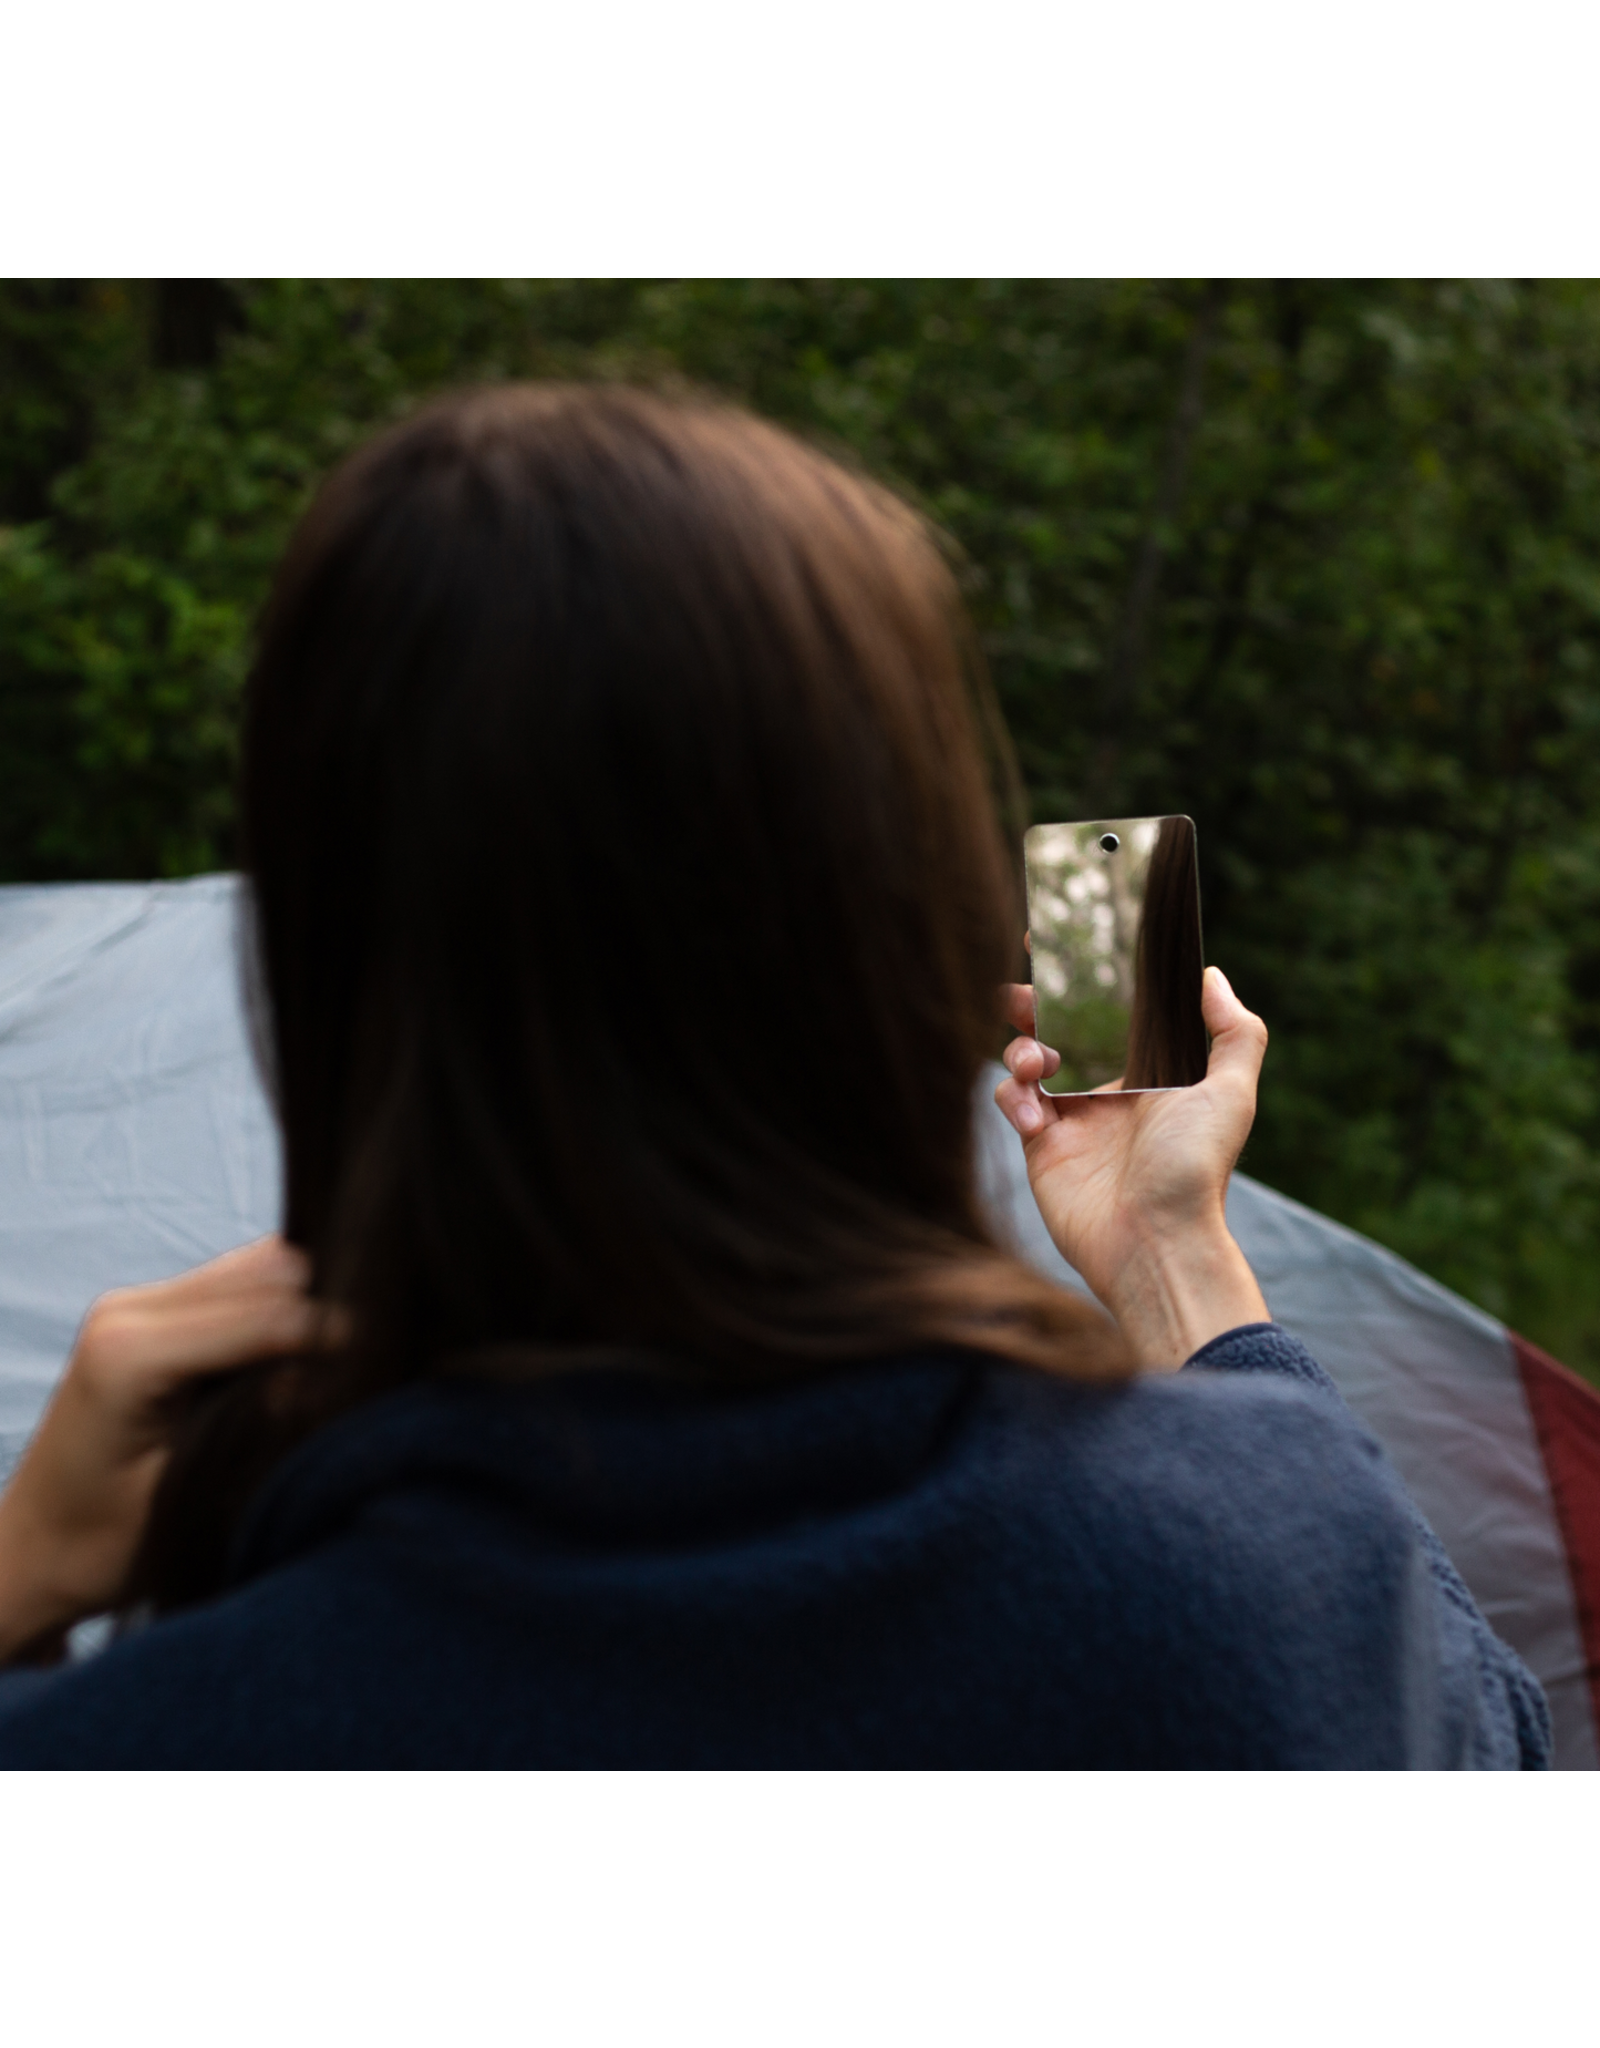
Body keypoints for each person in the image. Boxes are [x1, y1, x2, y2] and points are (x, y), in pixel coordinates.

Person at [0, 386, 1549, 1769]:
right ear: (904, 929)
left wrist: (23, 1577)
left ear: (324, 961)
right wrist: (1175, 1257)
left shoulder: (159, 1720)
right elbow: (1489, 1737)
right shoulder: (1265, 1590)